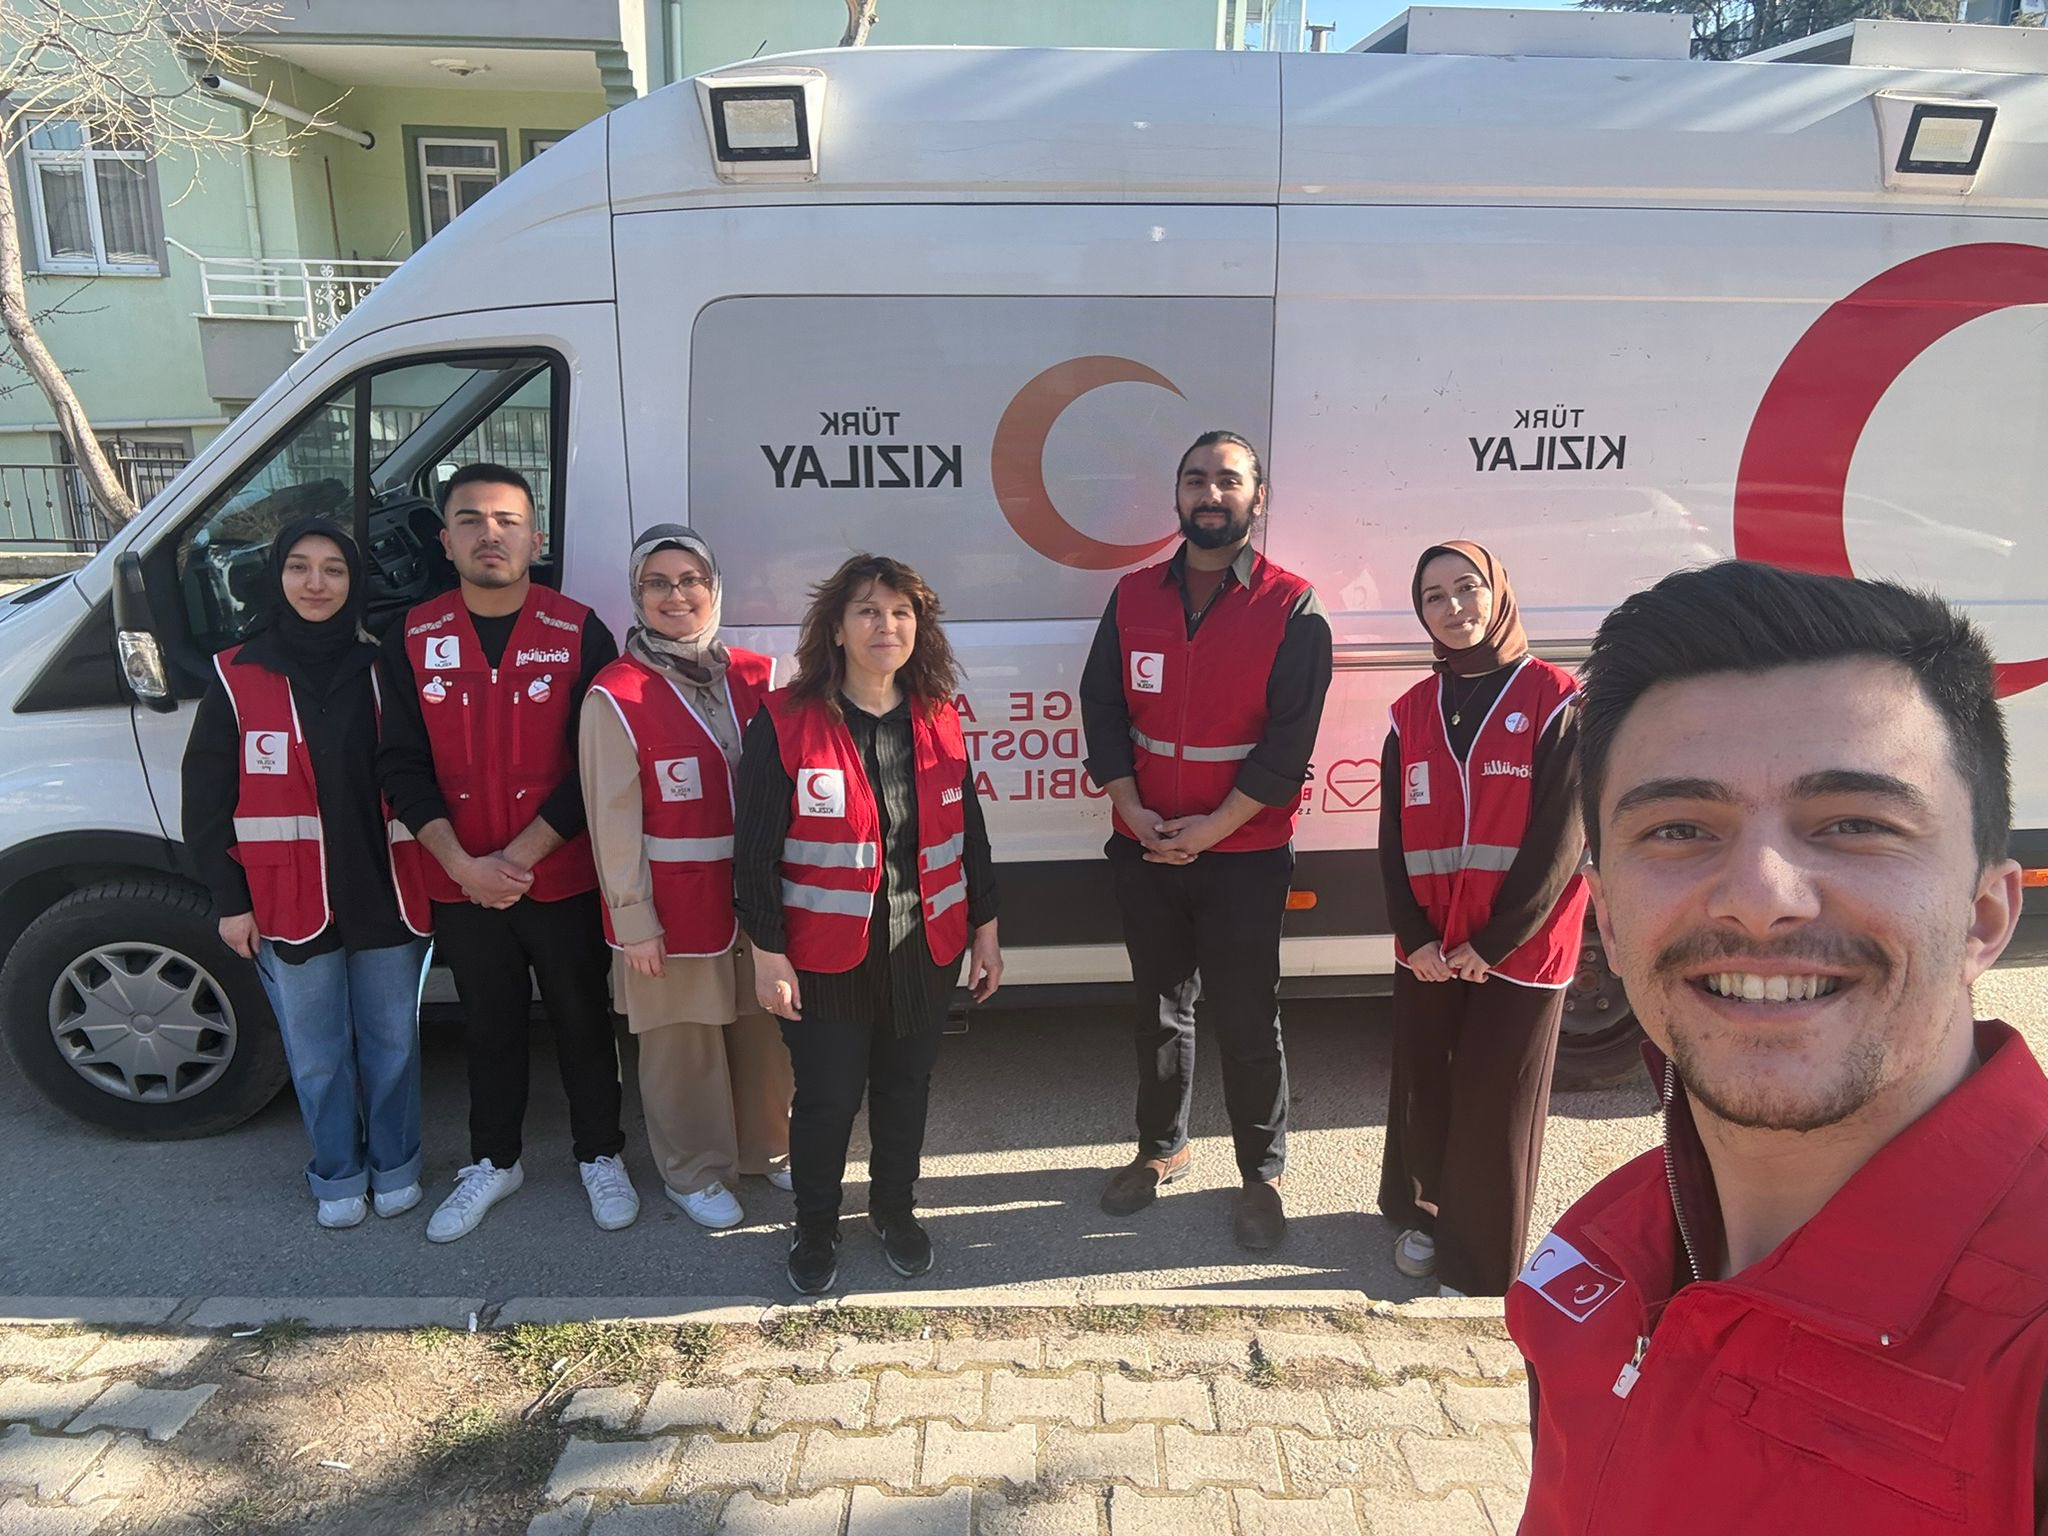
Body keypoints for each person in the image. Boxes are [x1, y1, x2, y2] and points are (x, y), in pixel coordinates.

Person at [1511, 561, 2048, 1534]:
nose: (1758, 898)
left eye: (1853, 824)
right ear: (1607, 919)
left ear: (1983, 916)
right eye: (1679, 828)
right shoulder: (1591, 1254)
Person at [1079, 430, 1332, 1251]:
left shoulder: (1292, 606)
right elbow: (1102, 709)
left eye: (1228, 480)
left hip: (1245, 856)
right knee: (1158, 1011)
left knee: (1248, 1020)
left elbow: (1287, 746)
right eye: (1196, 479)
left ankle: (1262, 1176)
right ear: (1178, 495)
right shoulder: (1133, 596)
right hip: (1145, 844)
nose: (1210, 493)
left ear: (1258, 498)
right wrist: (1133, 810)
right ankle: (1161, 1149)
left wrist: (1211, 832)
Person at [377, 462, 639, 1242]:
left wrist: (516, 859)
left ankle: (600, 1152)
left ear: (536, 537)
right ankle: (494, 1160)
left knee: (582, 1019)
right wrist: (463, 865)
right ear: (445, 540)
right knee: (487, 1025)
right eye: (470, 520)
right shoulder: (412, 636)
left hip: (558, 876)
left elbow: (597, 764)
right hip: (461, 882)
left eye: (506, 520)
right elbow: (400, 766)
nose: (489, 535)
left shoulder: (579, 630)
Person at [734, 554, 1001, 1296]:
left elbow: (969, 832)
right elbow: (753, 852)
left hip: (924, 946)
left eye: (901, 612)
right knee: (827, 1099)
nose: (887, 626)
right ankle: (815, 1224)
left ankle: (893, 1211)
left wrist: (985, 926)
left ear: (920, 628)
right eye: (869, 611)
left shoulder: (938, 715)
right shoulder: (786, 722)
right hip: (824, 956)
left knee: (904, 1088)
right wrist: (767, 953)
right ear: (837, 628)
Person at [181, 516, 433, 1229]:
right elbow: (206, 803)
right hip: (288, 897)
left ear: (354, 582)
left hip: (387, 890)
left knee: (393, 1045)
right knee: (317, 1055)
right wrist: (230, 901)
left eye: (334, 569)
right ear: (277, 577)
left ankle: (397, 1166)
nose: (316, 583)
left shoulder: (386, 666)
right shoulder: (235, 674)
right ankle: (337, 1173)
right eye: (300, 567)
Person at [1377, 541, 1589, 1298]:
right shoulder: (1409, 713)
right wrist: (1417, 939)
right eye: (1433, 597)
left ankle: (1476, 1265)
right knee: (1426, 1084)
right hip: (1431, 949)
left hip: (1519, 950)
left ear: (1498, 593)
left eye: (1466, 588)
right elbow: (1392, 836)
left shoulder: (1556, 699)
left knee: (1496, 1103)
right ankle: (1423, 1214)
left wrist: (1493, 944)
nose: (1453, 607)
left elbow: (1564, 837)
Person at [581, 525, 795, 1231]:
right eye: (657, 583)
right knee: (682, 1045)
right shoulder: (616, 693)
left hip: (756, 901)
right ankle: (693, 1172)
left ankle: (770, 1147)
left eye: (691, 580)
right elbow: (610, 819)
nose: (676, 595)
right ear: (637, 594)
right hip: (670, 908)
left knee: (764, 1031)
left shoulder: (760, 677)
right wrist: (633, 918)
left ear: (714, 588)